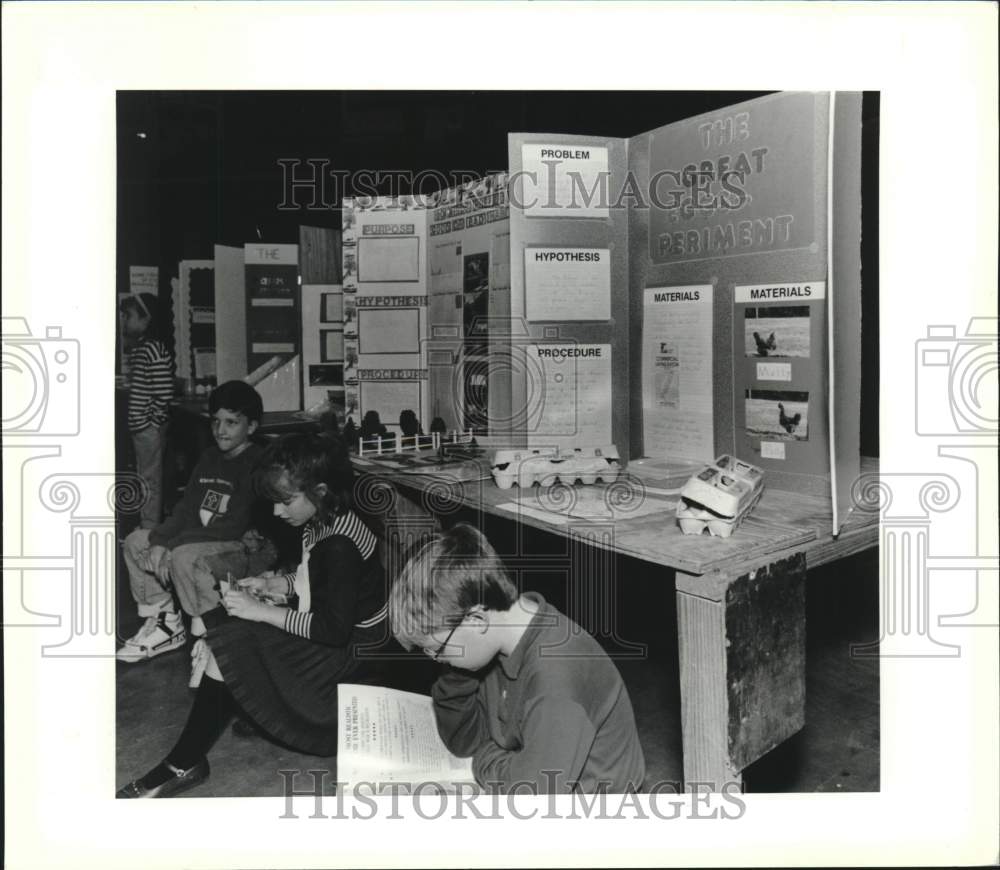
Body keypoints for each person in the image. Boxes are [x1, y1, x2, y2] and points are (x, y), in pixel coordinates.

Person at [117, 432, 388, 798]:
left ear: (320, 490)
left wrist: (260, 610)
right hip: (344, 638)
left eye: (285, 501)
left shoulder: (339, 544)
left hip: (352, 657)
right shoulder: (329, 518)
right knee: (237, 631)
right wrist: (278, 585)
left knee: (235, 639)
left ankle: (184, 762)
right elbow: (325, 584)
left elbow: (333, 628)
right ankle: (215, 738)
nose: (277, 512)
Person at [388, 523, 646, 794]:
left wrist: (486, 758)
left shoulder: (556, 678)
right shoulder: (497, 641)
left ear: (476, 619)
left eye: (438, 650)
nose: (435, 659)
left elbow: (529, 796)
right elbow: (464, 742)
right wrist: (456, 672)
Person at [117, 380, 267, 666]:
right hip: (200, 539)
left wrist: (172, 546)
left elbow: (234, 525)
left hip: (237, 547)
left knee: (182, 555)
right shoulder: (210, 457)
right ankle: (166, 623)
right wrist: (160, 541)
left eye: (232, 422)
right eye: (216, 422)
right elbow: (186, 510)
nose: (221, 430)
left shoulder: (256, 462)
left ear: (251, 427)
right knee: (138, 541)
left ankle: (210, 638)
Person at [120, 293, 174, 529]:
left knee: (150, 479)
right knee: (145, 477)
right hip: (141, 426)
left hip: (147, 428)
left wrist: (152, 423)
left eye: (129, 316)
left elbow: (164, 393)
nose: (124, 321)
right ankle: (146, 524)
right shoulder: (141, 348)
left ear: (146, 320)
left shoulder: (153, 349)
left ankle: (149, 528)